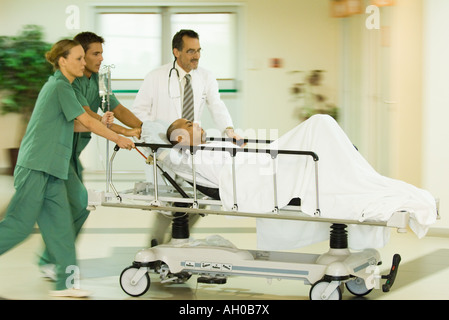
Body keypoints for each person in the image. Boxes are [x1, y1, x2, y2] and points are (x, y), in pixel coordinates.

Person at [165, 116, 437, 251]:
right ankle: (346, 166)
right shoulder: (190, 157)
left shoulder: (212, 144)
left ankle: (349, 168)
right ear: (180, 138)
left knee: (322, 128)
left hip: (264, 164)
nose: (197, 123)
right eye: (189, 124)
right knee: (319, 124)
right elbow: (170, 157)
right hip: (257, 176)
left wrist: (239, 145)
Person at [0, 39, 135, 298]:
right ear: (63, 61)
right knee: (19, 226)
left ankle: (65, 284)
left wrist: (105, 124)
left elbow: (77, 125)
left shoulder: (68, 88)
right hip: (35, 167)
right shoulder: (59, 86)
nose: (84, 63)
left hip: (54, 169)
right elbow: (85, 120)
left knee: (61, 228)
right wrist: (118, 137)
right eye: (79, 59)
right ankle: (64, 281)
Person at [37, 32, 143, 278]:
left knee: (78, 205)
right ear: (80, 55)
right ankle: (52, 260)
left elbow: (115, 108)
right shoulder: (68, 82)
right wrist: (123, 133)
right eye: (96, 53)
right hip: (56, 153)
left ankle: (50, 259)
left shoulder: (97, 80)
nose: (101, 58)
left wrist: (143, 128)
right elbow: (90, 117)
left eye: (101, 53)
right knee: (77, 204)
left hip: (73, 154)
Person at [133, 29, 242, 244]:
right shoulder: (156, 76)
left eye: (199, 50)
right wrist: (154, 142)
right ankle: (156, 245)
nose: (197, 55)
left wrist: (229, 130)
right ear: (176, 52)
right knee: (167, 201)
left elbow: (217, 105)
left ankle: (176, 242)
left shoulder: (206, 76)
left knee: (197, 200)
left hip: (192, 150)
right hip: (166, 150)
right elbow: (139, 111)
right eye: (191, 51)